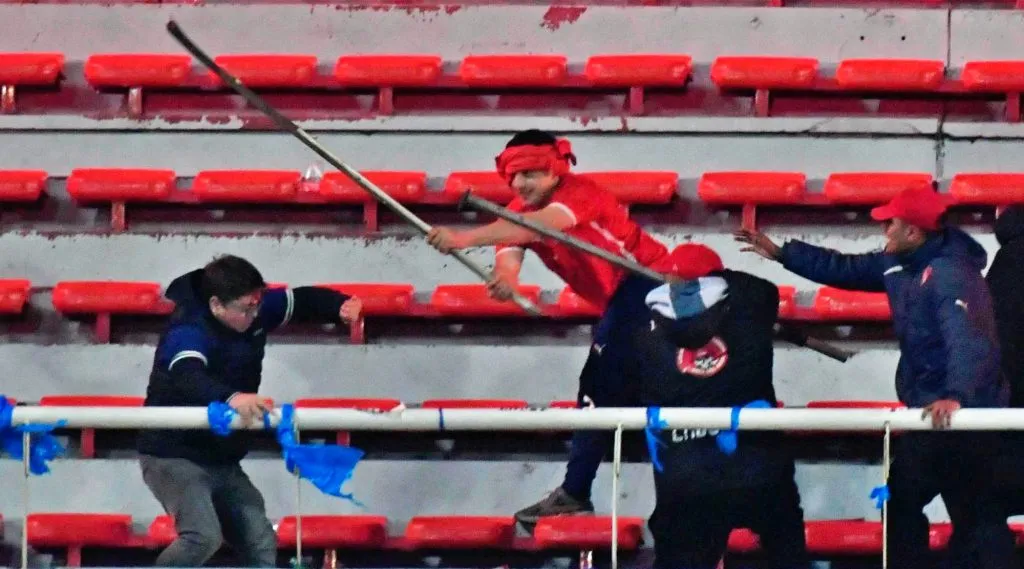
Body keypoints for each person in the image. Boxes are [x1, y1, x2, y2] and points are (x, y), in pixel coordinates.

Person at [735, 186, 1014, 569]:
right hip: (935, 411)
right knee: (957, 511)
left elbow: (969, 341)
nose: (884, 231)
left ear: (913, 232)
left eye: (890, 224)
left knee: (958, 512)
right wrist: (784, 254)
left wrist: (957, 396)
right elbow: (845, 268)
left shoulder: (951, 274)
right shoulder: (902, 264)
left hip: (960, 416)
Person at [425, 129, 671, 524]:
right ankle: (579, 491)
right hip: (624, 302)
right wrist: (506, 281)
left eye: (533, 175)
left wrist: (461, 238)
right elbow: (510, 253)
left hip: (653, 284)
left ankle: (577, 491)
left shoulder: (579, 195)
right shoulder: (515, 212)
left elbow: (536, 228)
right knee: (609, 392)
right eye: (517, 176)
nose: (523, 184)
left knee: (601, 387)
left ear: (556, 172)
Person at [137, 255, 362, 567]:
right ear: (216, 305)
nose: (257, 314)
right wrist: (231, 398)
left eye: (257, 304)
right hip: (172, 455)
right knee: (202, 537)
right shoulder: (188, 330)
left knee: (259, 538)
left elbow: (298, 300)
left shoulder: (249, 309)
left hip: (221, 458)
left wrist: (338, 305)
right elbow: (187, 375)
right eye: (248, 308)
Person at [623, 244, 808, 569]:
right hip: (756, 464)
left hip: (682, 470)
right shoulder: (751, 305)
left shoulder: (640, 326)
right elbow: (760, 288)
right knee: (786, 552)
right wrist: (713, 275)